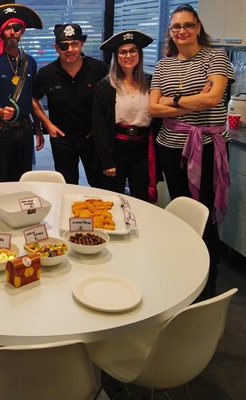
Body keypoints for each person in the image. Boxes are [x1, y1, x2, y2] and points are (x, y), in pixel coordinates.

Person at [149, 4, 234, 298]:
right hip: (170, 147)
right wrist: (189, 100)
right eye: (176, 27)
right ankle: (187, 266)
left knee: (205, 210)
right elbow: (152, 108)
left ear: (198, 28)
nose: (182, 31)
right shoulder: (164, 65)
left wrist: (171, 101)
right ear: (170, 33)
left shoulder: (215, 57)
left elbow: (211, 99)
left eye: (187, 25)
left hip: (208, 147)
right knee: (182, 207)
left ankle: (210, 272)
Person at [32, 24, 108, 186]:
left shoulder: (98, 69)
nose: (70, 49)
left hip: (92, 137)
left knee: (100, 184)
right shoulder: (47, 73)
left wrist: (101, 129)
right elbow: (33, 98)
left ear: (82, 44)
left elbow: (109, 102)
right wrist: (47, 125)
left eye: (74, 44)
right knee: (67, 184)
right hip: (62, 139)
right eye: (64, 45)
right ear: (56, 48)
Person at [0, 4, 45, 183]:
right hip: (0, 131)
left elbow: (31, 97)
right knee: (0, 180)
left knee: (23, 179)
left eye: (17, 27)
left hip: (25, 129)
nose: (12, 32)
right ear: (1, 32)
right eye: (7, 28)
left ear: (22, 31)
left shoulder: (30, 62)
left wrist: (38, 128)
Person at [92, 30, 158, 202]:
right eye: (123, 51)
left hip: (142, 149)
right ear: (116, 56)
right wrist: (107, 161)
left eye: (133, 50)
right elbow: (98, 127)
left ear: (139, 54)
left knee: (141, 197)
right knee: (113, 198)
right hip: (116, 148)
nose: (128, 55)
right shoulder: (105, 87)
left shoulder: (151, 83)